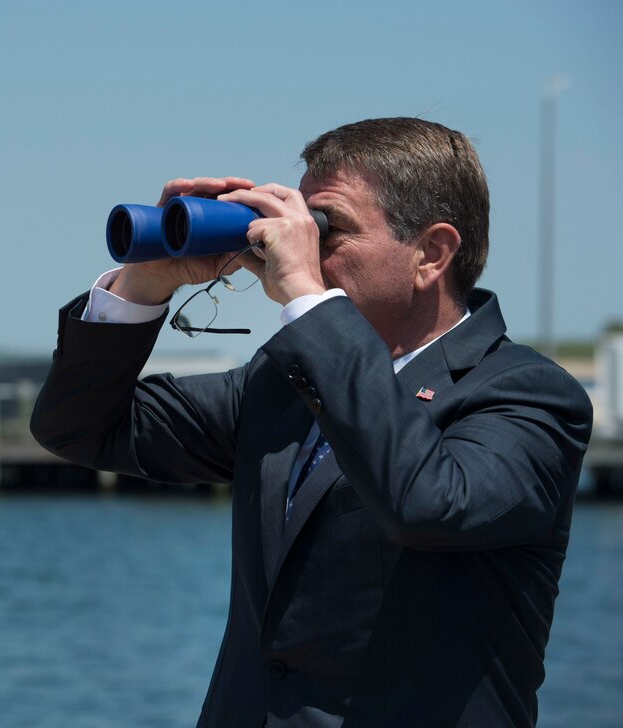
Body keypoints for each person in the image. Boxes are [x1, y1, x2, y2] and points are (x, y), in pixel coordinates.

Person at [29, 117, 592, 727]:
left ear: (431, 254)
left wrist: (305, 294)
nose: (303, 249)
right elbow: (79, 427)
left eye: (329, 229)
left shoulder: (527, 396)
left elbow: (429, 503)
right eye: (304, 226)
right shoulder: (279, 385)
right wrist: (145, 283)